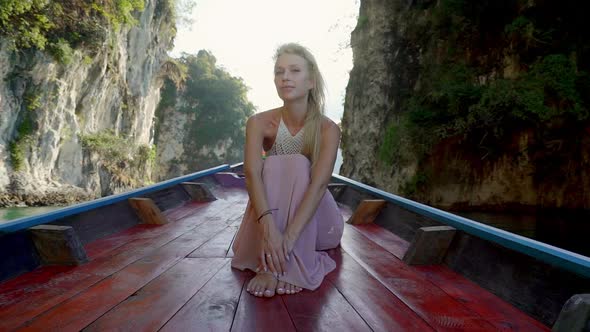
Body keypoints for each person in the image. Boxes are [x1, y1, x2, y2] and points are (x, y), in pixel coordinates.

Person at [231, 43, 344, 297]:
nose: (285, 77)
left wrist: (286, 243)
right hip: (268, 226)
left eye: (294, 70)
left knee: (296, 163)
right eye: (279, 71)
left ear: (311, 81)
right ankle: (277, 261)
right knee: (271, 165)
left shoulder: (328, 129)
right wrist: (270, 233)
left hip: (318, 226)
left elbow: (319, 186)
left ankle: (281, 264)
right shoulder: (259, 123)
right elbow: (251, 175)